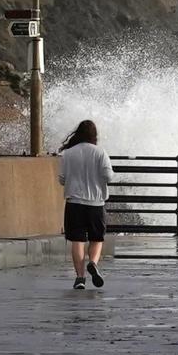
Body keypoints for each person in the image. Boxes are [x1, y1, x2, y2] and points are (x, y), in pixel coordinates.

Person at [57, 120, 115, 289]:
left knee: (77, 240)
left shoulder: (68, 154)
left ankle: (80, 278)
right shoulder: (100, 152)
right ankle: (94, 263)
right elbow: (108, 177)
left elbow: (61, 179)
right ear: (94, 135)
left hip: (74, 202)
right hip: (96, 203)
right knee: (97, 238)